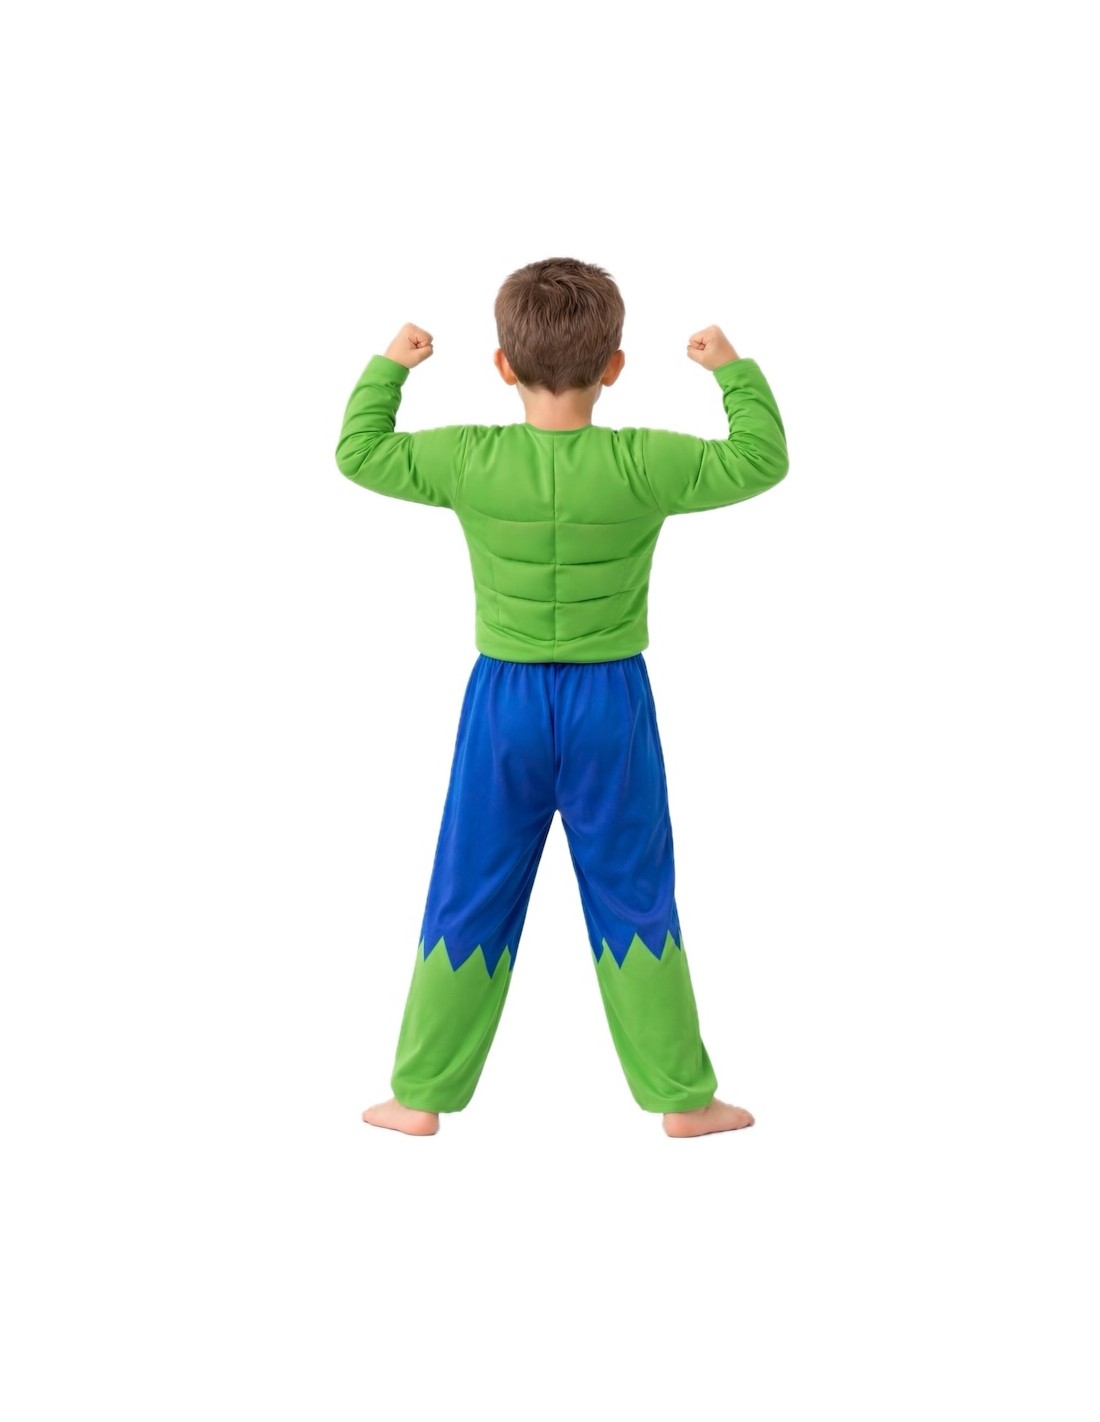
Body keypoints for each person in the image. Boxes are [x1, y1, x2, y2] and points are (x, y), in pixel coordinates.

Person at [334, 257, 788, 1138]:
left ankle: (419, 1096)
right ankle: (685, 1100)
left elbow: (359, 451)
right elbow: (761, 459)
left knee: (467, 890)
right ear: (613, 366)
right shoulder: (644, 460)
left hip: (502, 704)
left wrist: (391, 365)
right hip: (610, 703)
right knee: (635, 897)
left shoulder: (469, 457)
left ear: (502, 365)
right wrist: (731, 369)